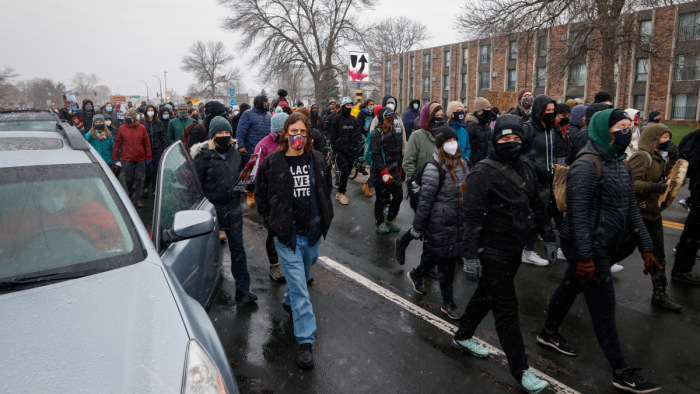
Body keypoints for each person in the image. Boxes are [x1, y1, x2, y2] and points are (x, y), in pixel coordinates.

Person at [537, 108, 662, 394]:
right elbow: (578, 216)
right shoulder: (586, 164)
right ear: (604, 130)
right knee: (604, 307)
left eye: (629, 126)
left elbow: (631, 209)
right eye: (620, 126)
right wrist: (584, 257)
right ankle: (621, 372)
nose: (627, 131)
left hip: (606, 243)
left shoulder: (622, 163)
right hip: (589, 245)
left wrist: (647, 247)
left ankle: (547, 332)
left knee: (570, 287)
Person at [454, 115, 550, 394]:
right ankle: (521, 371)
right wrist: (470, 255)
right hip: (491, 251)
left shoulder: (527, 168)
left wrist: (550, 236)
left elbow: (535, 204)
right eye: (505, 138)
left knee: (486, 295)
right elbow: (471, 218)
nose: (511, 143)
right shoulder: (481, 173)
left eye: (516, 138)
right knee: (507, 310)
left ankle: (462, 336)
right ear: (495, 141)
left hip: (513, 250)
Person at [255, 112, 334, 369]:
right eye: (293, 132)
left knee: (302, 276)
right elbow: (262, 197)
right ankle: (305, 341)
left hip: (311, 235)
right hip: (287, 238)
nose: (298, 137)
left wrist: (323, 219)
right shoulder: (272, 163)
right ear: (285, 135)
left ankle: (288, 300)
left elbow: (326, 189)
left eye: (302, 132)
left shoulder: (318, 160)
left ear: (308, 134)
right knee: (301, 289)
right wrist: (273, 224)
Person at [191, 116, 257, 305]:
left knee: (238, 250)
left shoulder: (236, 154)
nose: (224, 136)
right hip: (211, 211)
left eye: (227, 133)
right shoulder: (203, 156)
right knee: (206, 253)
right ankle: (202, 292)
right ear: (213, 135)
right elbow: (194, 185)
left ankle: (243, 290)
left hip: (233, 209)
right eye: (220, 133)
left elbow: (242, 176)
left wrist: (249, 184)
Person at [406, 125, 468, 320]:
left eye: (454, 140)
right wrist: (418, 227)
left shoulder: (463, 163)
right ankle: (448, 303)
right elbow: (425, 202)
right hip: (439, 223)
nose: (453, 144)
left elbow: (467, 191)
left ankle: (417, 273)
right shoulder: (433, 169)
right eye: (448, 141)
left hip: (456, 222)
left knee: (435, 255)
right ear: (441, 145)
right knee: (447, 265)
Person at [628, 123, 683, 311]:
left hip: (653, 214)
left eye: (668, 137)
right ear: (652, 138)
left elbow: (668, 179)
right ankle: (589, 280)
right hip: (637, 214)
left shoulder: (659, 158)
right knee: (618, 250)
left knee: (658, 255)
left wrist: (674, 159)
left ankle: (659, 294)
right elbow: (631, 184)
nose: (667, 141)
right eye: (663, 138)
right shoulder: (642, 157)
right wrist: (653, 187)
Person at [249, 111, 290, 282]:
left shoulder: (290, 142)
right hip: (271, 196)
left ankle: (293, 268)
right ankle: (274, 266)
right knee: (273, 234)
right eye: (284, 131)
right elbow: (256, 174)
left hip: (289, 196)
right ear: (276, 130)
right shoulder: (262, 146)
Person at [520, 94, 558, 266]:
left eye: (553, 110)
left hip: (548, 181)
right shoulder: (528, 128)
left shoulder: (550, 129)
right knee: (532, 217)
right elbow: (521, 155)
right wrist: (537, 168)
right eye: (547, 110)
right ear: (538, 111)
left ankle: (527, 248)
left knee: (543, 215)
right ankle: (525, 250)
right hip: (533, 181)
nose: (551, 113)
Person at [673, 122, 700, 284]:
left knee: (693, 232)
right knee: (693, 231)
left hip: (697, 189)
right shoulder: (695, 139)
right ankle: (681, 270)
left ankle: (682, 268)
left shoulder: (692, 137)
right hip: (699, 191)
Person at [370, 107, 404, 233]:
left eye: (393, 115)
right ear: (383, 118)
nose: (392, 118)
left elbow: (397, 151)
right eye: (389, 116)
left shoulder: (393, 131)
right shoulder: (377, 134)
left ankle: (391, 218)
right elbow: (376, 155)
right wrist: (383, 171)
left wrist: (400, 168)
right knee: (382, 198)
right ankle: (380, 221)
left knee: (398, 196)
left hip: (394, 171)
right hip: (381, 172)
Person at [112, 108, 152, 208]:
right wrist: (115, 156)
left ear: (134, 118)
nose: (127, 118)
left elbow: (146, 143)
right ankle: (130, 193)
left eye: (129, 117)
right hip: (127, 157)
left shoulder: (142, 128)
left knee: (139, 179)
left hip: (140, 158)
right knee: (129, 179)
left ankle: (137, 198)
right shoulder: (122, 128)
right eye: (126, 117)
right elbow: (117, 143)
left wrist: (148, 156)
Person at [237, 94, 272, 207]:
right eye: (265, 102)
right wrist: (241, 145)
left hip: (266, 151)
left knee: (264, 175)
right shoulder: (247, 114)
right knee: (250, 176)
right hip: (251, 150)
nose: (267, 104)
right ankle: (250, 194)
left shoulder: (268, 115)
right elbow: (241, 131)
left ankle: (263, 194)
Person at [330, 97, 362, 205]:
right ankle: (340, 193)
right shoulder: (337, 119)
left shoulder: (353, 119)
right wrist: (335, 151)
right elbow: (333, 136)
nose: (349, 107)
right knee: (344, 171)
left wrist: (357, 145)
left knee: (347, 172)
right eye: (347, 105)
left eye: (350, 105)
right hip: (340, 151)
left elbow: (357, 134)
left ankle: (341, 191)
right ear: (343, 106)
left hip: (351, 151)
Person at [141, 105, 168, 198]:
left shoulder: (158, 122)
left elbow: (162, 136)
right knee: (148, 169)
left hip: (157, 148)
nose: (150, 112)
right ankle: (145, 186)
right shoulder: (142, 123)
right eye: (148, 110)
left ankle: (155, 189)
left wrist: (164, 148)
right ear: (146, 112)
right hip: (146, 150)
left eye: (152, 110)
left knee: (156, 170)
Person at [465, 97, 494, 166]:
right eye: (487, 108)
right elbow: (467, 145)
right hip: (475, 164)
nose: (489, 110)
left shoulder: (486, 124)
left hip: (486, 162)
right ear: (479, 111)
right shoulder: (471, 125)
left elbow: (489, 143)